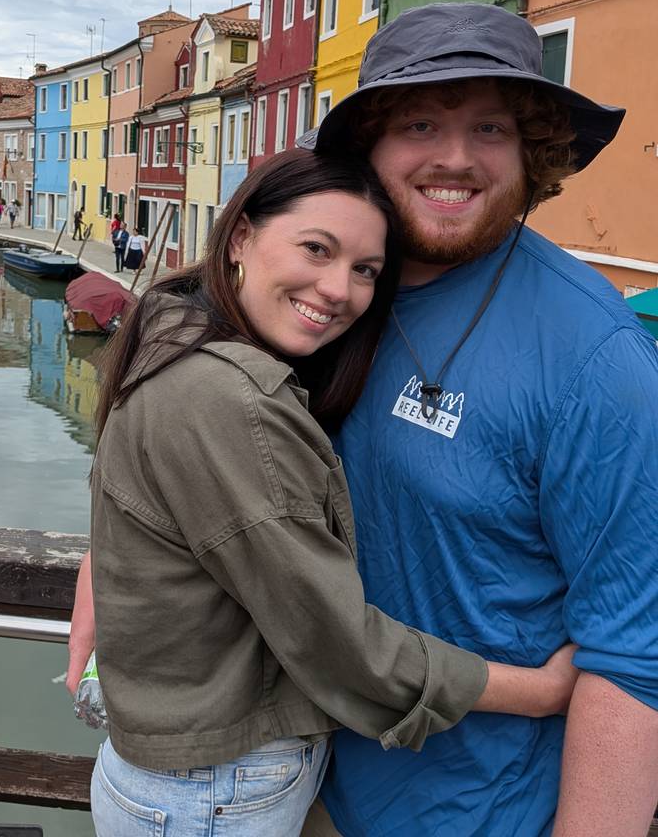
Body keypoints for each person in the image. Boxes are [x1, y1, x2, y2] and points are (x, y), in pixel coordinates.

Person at [69, 3, 658, 837]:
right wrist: (113, 558)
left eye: (490, 127)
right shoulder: (328, 302)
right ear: (371, 148)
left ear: (533, 151)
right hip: (297, 786)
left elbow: (634, 657)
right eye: (421, 121)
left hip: (470, 813)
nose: (454, 157)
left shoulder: (599, 360)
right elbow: (184, 421)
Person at [84, 149, 579, 836]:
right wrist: (541, 692)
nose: (338, 289)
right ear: (242, 237)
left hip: (179, 779)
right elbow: (338, 642)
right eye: (316, 249)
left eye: (365, 271)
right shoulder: (232, 401)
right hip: (215, 790)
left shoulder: (170, 328)